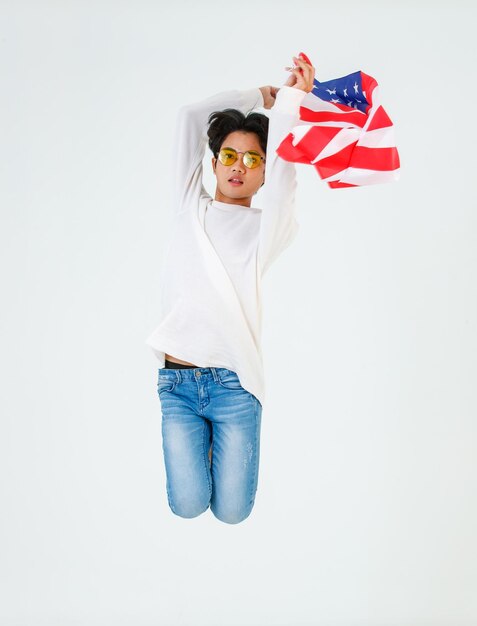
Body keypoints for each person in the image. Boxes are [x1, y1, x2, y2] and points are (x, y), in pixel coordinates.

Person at [145, 55, 315, 524]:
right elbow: (189, 118)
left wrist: (293, 102)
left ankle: (224, 442)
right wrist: (260, 97)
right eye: (229, 156)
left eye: (253, 159)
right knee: (187, 504)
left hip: (233, 386)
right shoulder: (188, 207)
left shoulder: (267, 230)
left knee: (232, 512)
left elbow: (285, 181)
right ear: (215, 162)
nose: (239, 167)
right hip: (177, 383)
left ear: (263, 172)